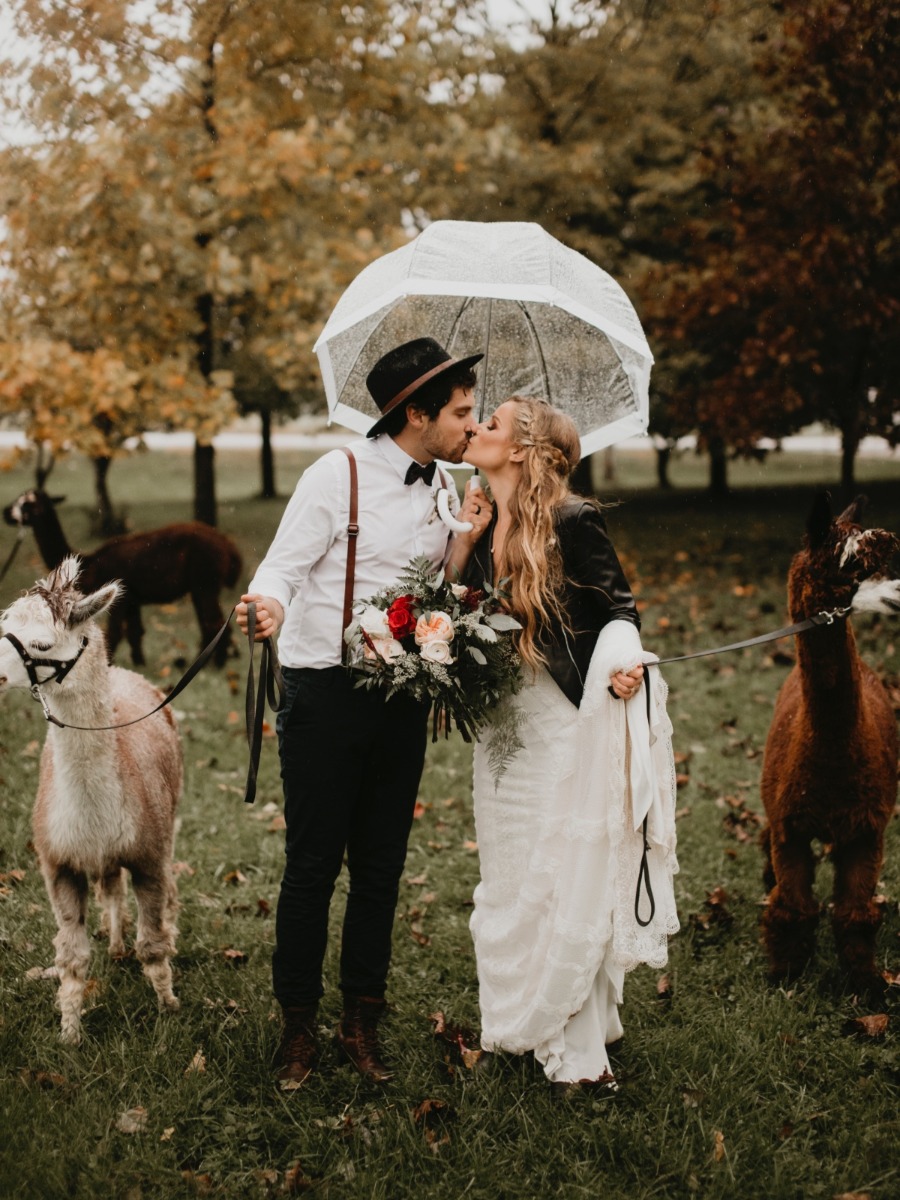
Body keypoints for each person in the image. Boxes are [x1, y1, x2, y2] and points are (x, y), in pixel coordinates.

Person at [236, 337, 492, 1087]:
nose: (471, 426)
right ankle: (296, 1030)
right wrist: (268, 607)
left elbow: (440, 589)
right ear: (415, 412)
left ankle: (360, 1024)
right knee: (313, 867)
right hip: (324, 693)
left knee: (381, 868)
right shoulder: (335, 474)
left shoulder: (447, 485)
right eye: (461, 412)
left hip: (402, 697)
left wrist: (466, 540)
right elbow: (281, 565)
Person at [450, 395, 679, 1098]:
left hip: (557, 715)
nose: (475, 428)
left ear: (520, 449)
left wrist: (623, 662)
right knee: (513, 872)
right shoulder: (487, 517)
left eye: (490, 423)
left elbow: (620, 609)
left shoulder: (574, 521)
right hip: (499, 726)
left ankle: (579, 1048)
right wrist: (465, 537)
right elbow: (454, 606)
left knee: (560, 868)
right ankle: (529, 1014)